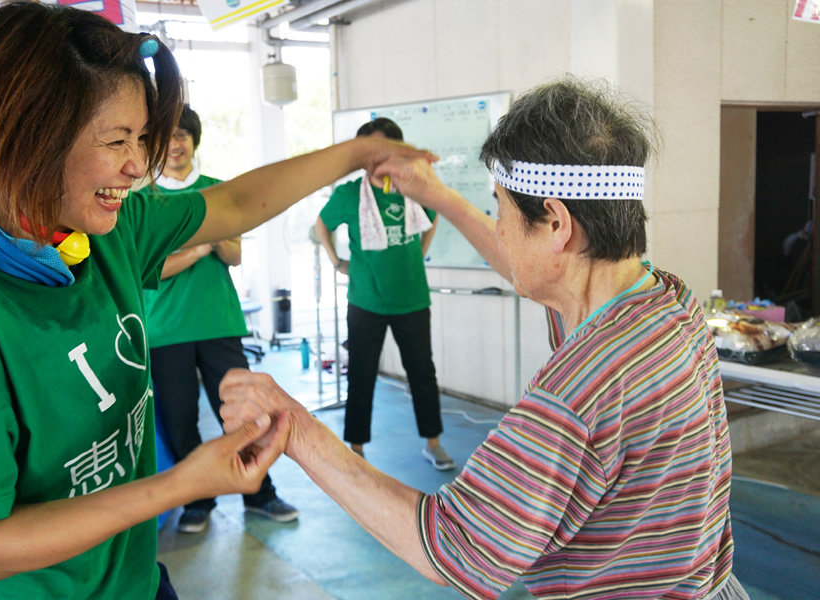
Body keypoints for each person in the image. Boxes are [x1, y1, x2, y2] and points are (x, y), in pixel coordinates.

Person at [0, 3, 434, 599]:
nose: (138, 166)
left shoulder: (99, 234)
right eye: (116, 141)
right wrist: (180, 484)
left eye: (141, 139)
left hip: (129, 581)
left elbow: (237, 205)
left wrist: (358, 152)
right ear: (26, 140)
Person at [219, 77, 749, 600]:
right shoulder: (668, 301)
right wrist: (438, 197)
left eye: (499, 208)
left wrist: (297, 431)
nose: (497, 228)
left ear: (557, 223)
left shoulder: (579, 393)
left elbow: (453, 546)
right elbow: (548, 271)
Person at [143, 105, 298, 533]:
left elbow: (234, 252)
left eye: (182, 136)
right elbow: (149, 269)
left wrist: (198, 246)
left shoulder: (217, 191)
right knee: (179, 420)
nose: (175, 145)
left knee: (245, 416)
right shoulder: (143, 200)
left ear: (194, 140)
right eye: (167, 137)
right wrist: (201, 245)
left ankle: (260, 492)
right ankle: (198, 500)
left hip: (219, 322)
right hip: (164, 329)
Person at [314, 117, 453, 470]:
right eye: (368, 151)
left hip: (412, 299)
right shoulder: (348, 195)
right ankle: (356, 449)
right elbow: (321, 224)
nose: (376, 158)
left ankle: (433, 444)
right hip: (365, 301)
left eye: (384, 149)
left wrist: (419, 252)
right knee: (361, 375)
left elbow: (434, 214)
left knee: (422, 374)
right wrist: (335, 261)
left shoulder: (413, 188)